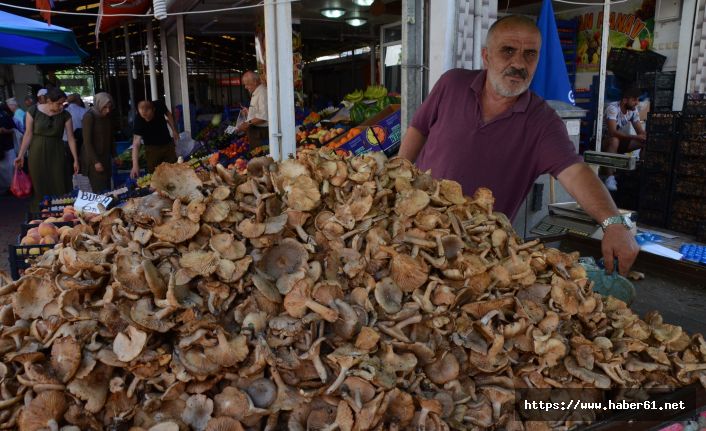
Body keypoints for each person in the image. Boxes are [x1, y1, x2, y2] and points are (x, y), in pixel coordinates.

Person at [398, 15, 639, 276]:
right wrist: (396, 180)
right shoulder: (452, 84)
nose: (518, 63)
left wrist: (614, 223)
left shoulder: (543, 122)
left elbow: (576, 173)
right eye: (508, 51)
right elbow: (418, 129)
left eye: (530, 54)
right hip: (414, 230)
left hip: (476, 255)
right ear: (486, 56)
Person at [14, 88, 79, 210]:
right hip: (36, 153)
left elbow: (71, 138)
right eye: (58, 103)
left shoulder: (65, 115)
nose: (61, 107)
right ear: (49, 101)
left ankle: (61, 212)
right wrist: (21, 155)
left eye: (63, 104)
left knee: (59, 181)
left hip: (57, 152)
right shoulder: (33, 111)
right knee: (39, 184)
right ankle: (40, 214)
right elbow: (28, 134)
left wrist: (75, 159)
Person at [601, 87, 646, 191]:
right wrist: (635, 136)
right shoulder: (612, 108)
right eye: (634, 100)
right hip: (603, 142)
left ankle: (642, 172)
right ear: (625, 100)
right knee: (614, 140)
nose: (637, 103)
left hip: (620, 143)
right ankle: (609, 178)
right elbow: (612, 132)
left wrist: (645, 136)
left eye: (638, 100)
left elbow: (640, 132)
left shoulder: (633, 111)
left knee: (644, 142)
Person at [130, 100, 177, 178]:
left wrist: (174, 130)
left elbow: (168, 114)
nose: (146, 119)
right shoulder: (138, 120)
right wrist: (135, 165)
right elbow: (136, 143)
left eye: (148, 116)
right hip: (151, 148)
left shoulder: (159, 105)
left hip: (167, 144)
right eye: (143, 117)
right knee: (154, 175)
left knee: (173, 171)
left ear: (153, 109)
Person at [81, 93, 115, 192]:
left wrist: (115, 155)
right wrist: (95, 161)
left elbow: (110, 137)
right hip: (93, 158)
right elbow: (87, 142)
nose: (107, 110)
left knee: (107, 188)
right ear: (98, 105)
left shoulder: (107, 117)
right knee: (100, 189)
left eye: (109, 107)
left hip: (105, 156)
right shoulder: (89, 117)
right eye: (104, 107)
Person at [236, 71, 269, 147]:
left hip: (259, 132)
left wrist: (247, 123)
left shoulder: (262, 93)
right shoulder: (257, 92)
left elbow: (263, 117)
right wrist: (249, 112)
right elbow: (260, 111)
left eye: (247, 84)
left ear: (254, 82)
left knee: (258, 155)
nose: (245, 87)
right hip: (256, 130)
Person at [63, 93, 87, 184]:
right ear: (78, 100)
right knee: (80, 165)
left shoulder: (64, 112)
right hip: (80, 142)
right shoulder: (83, 111)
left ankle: (72, 184)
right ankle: (81, 183)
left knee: (69, 166)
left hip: (66, 143)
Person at [0, 103, 16, 194]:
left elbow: (14, 129)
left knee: (10, 168)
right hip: (6, 147)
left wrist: (5, 131)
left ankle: (12, 187)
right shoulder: (6, 115)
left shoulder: (5, 115)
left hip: (8, 146)